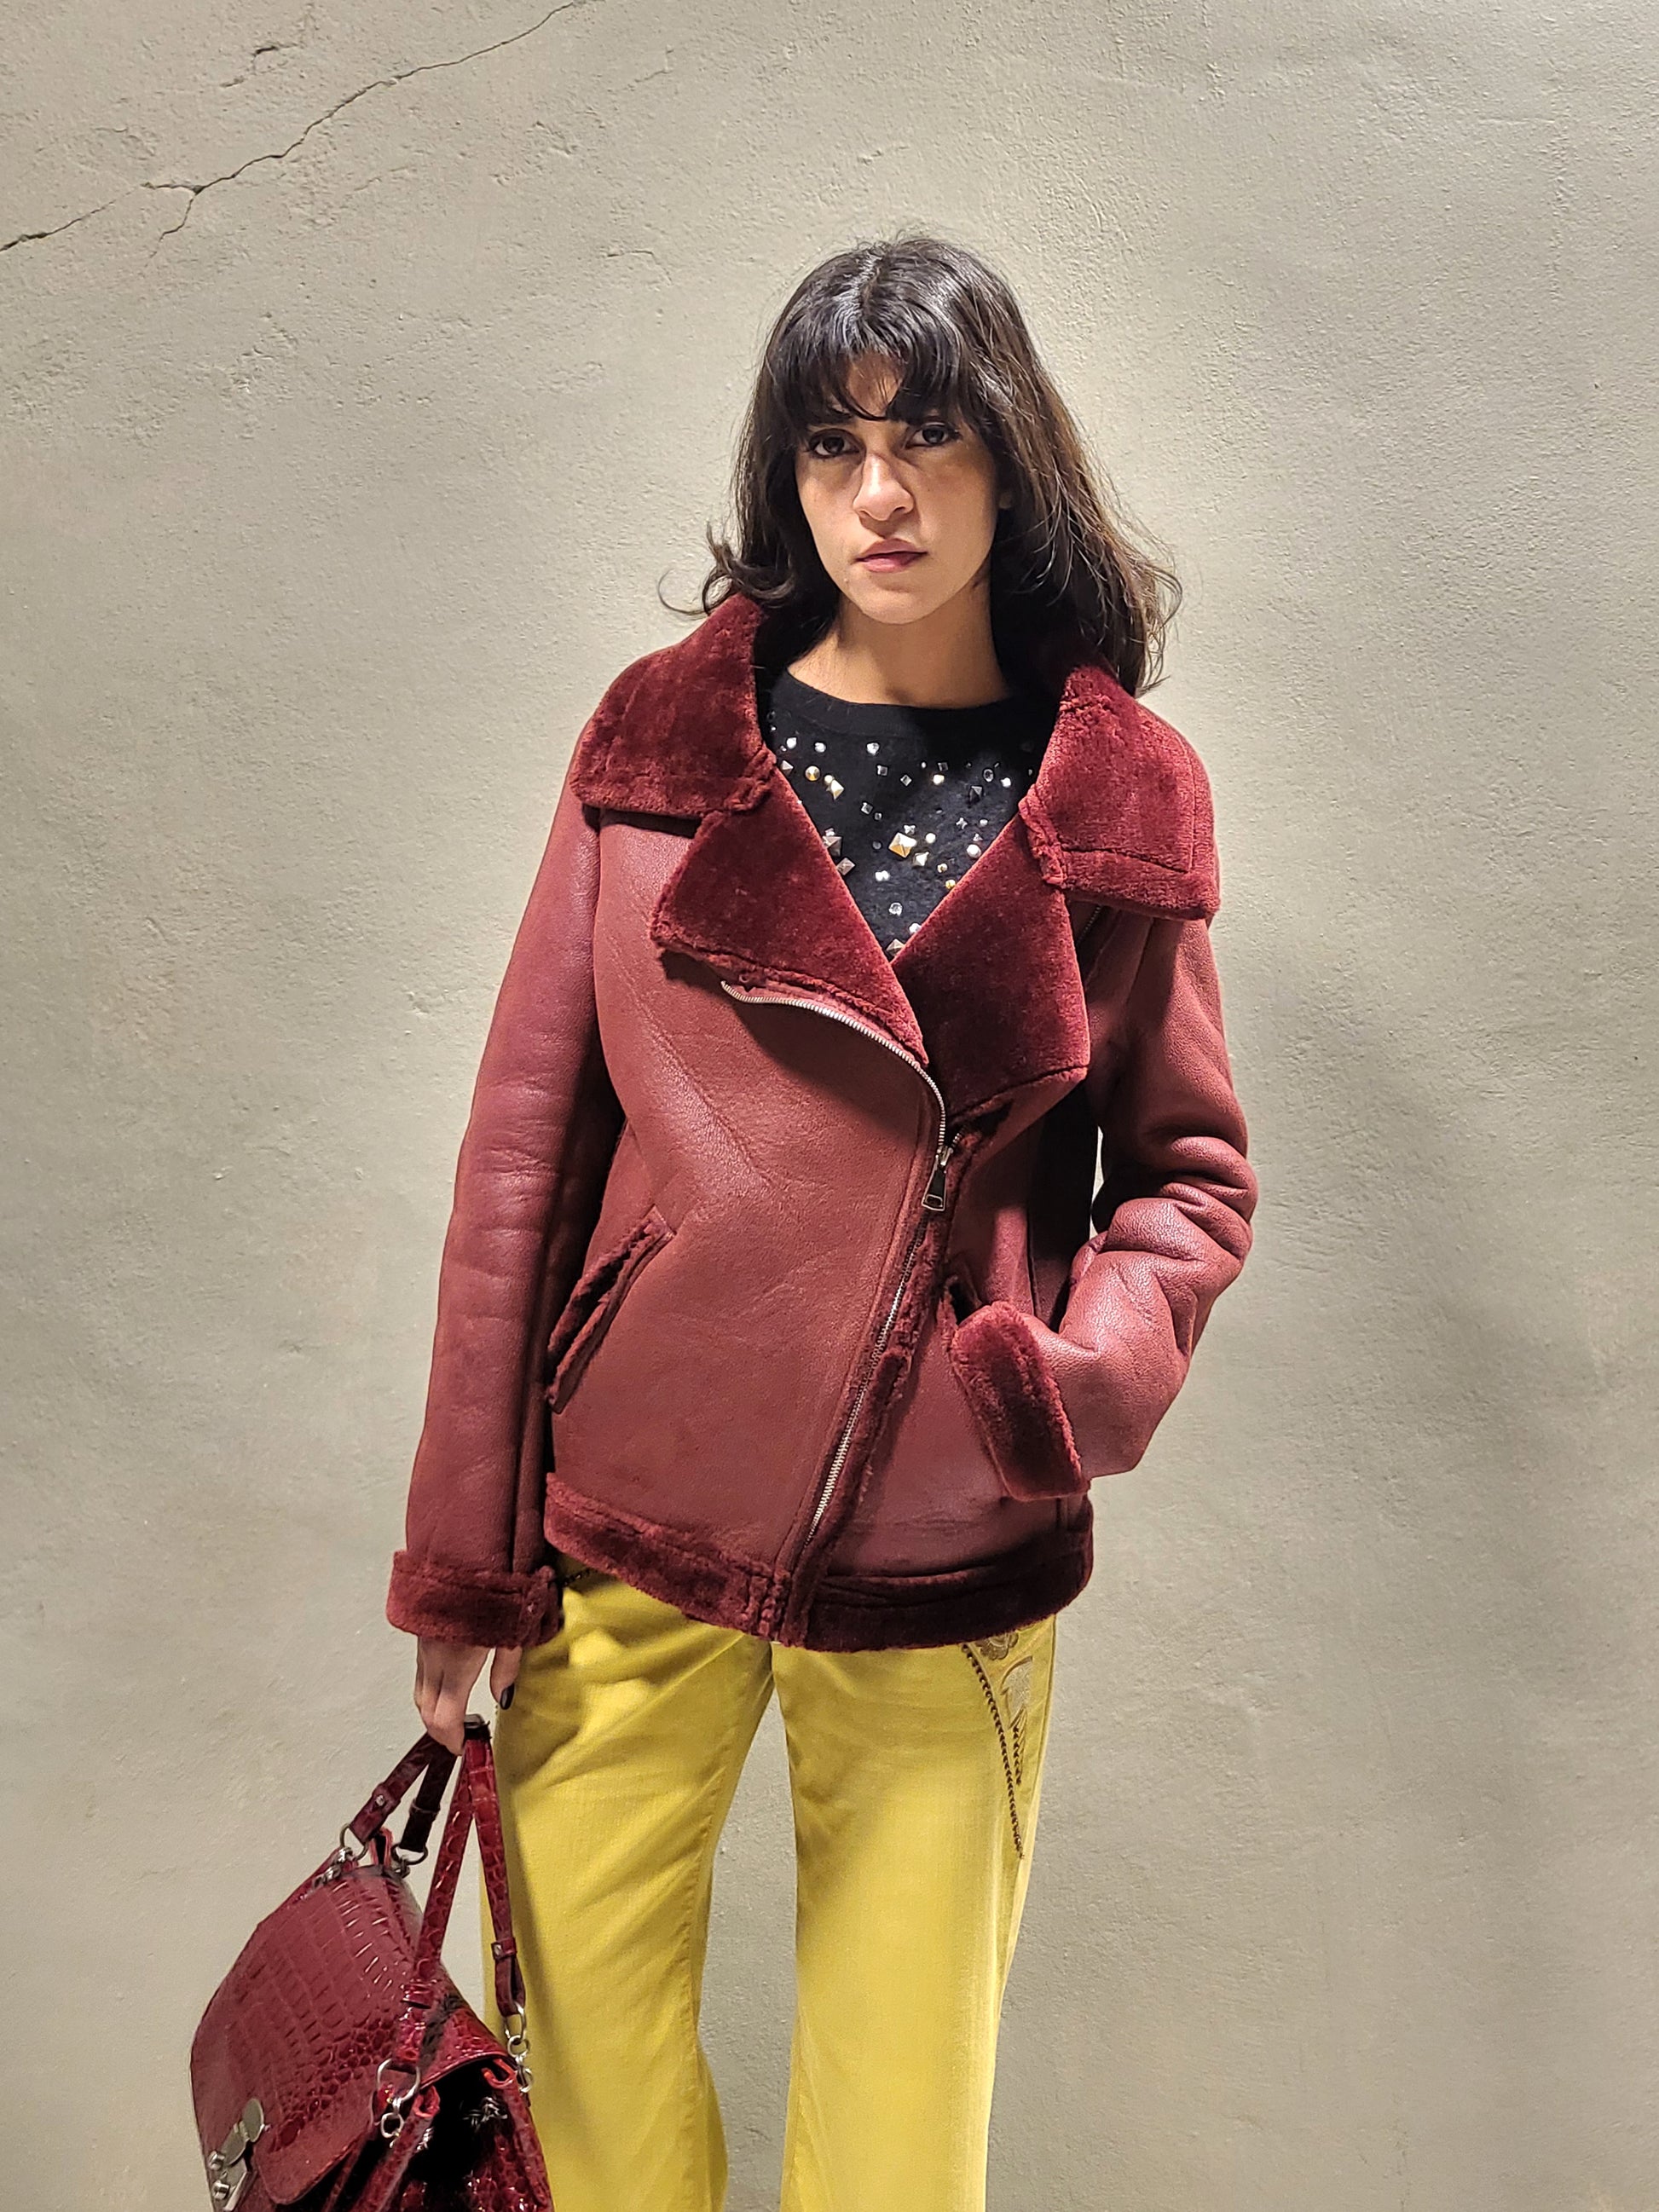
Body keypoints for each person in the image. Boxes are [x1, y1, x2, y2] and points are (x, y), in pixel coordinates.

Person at [386, 232, 1258, 2212]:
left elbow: (1187, 1174)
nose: (881, 493)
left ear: (1008, 459)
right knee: (582, 2089)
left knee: (896, 2128)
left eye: (929, 437)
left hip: (948, 1547)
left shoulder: (1116, 794)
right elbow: (523, 1159)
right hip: (628, 1520)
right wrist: (463, 1561)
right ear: (785, 473)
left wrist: (1066, 1382)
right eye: (834, 444)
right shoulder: (659, 751)